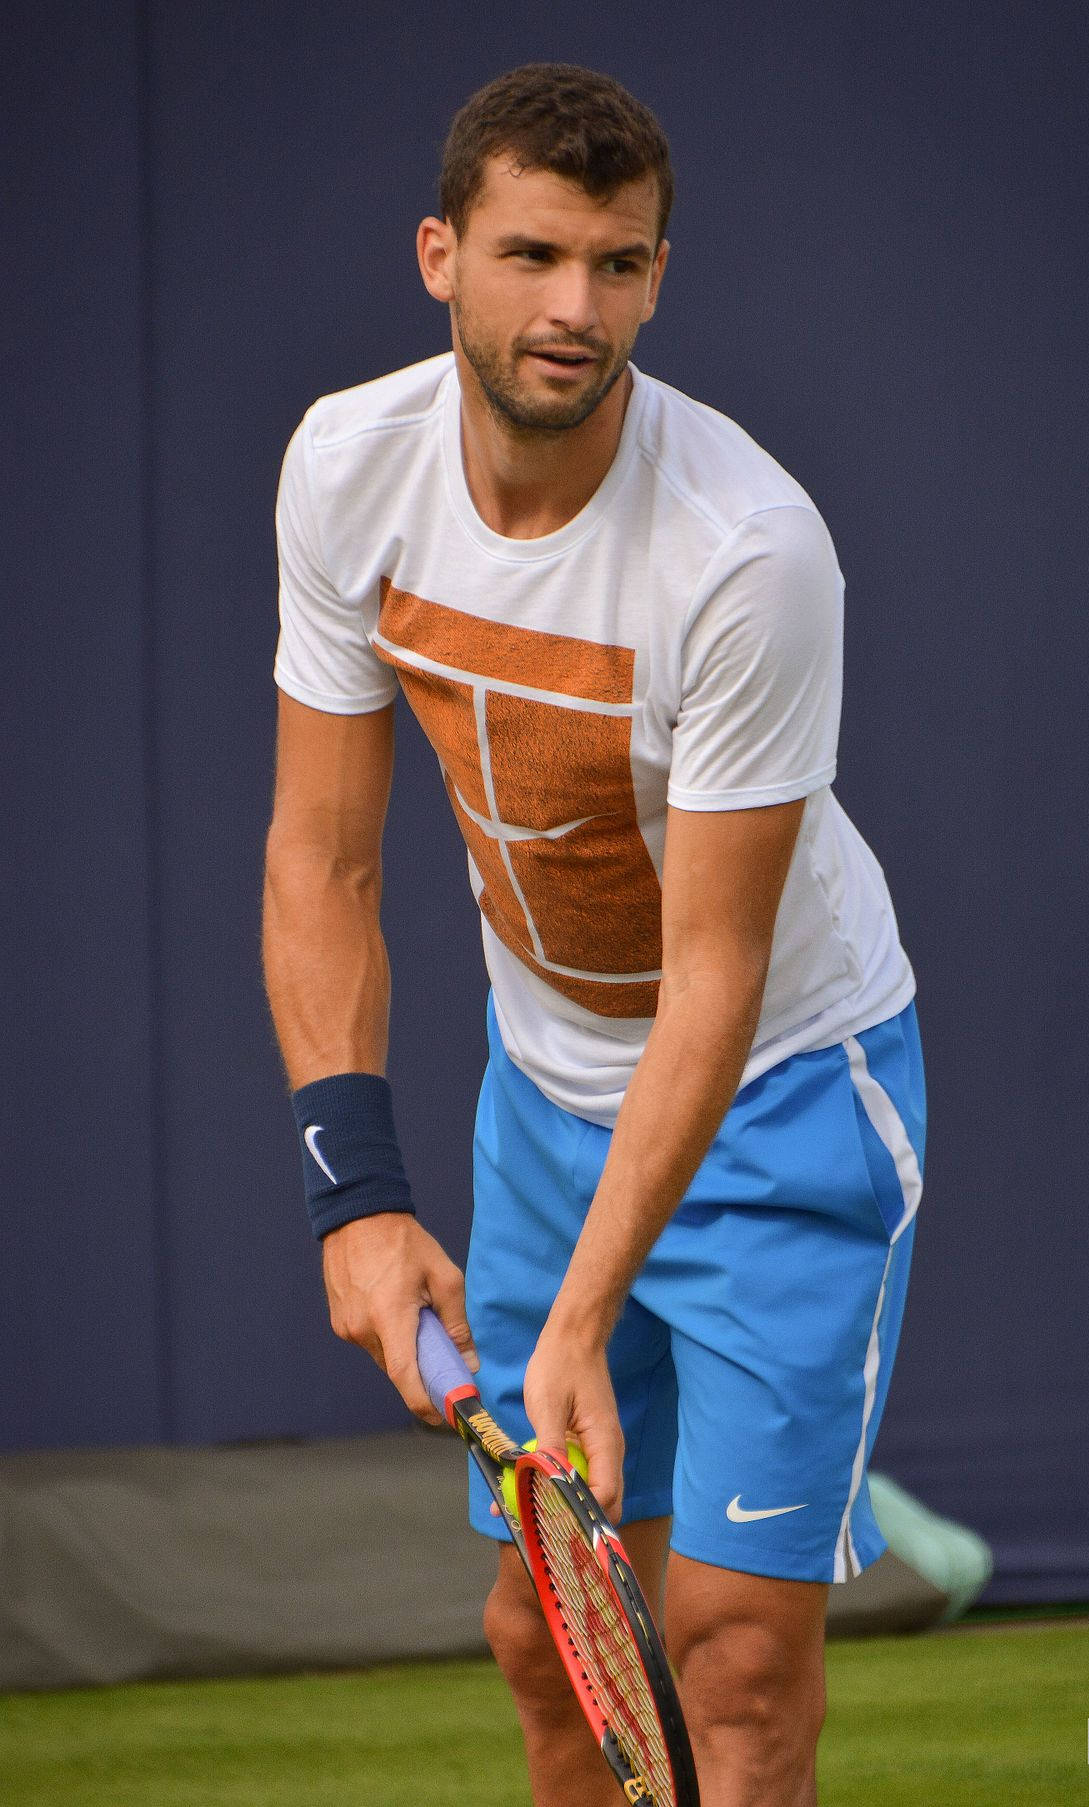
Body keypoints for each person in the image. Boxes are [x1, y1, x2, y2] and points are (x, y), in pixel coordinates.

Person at [263, 61, 925, 1807]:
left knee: (728, 1649)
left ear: (655, 274)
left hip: (779, 1098)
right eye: (536, 254)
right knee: (549, 1644)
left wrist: (572, 1319)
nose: (576, 309)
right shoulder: (348, 465)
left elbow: (712, 977)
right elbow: (319, 858)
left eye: (620, 265)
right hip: (547, 1105)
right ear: (440, 255)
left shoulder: (749, 551)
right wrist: (359, 1194)